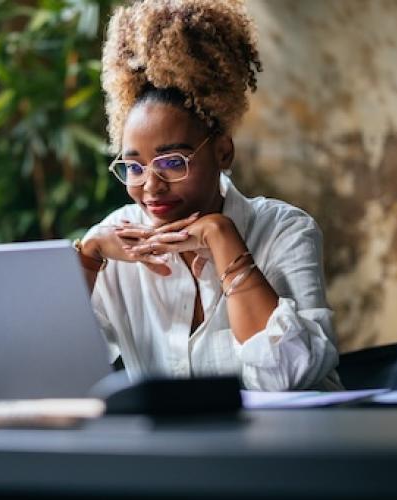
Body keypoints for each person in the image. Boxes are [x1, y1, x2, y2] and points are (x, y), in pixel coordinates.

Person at [74, 0, 343, 391]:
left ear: (223, 152)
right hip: (176, 452)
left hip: (288, 447)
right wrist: (86, 258)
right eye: (133, 167)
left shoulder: (285, 230)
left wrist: (222, 238)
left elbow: (288, 377)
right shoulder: (114, 241)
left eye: (171, 162)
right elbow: (47, 368)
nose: (150, 187)